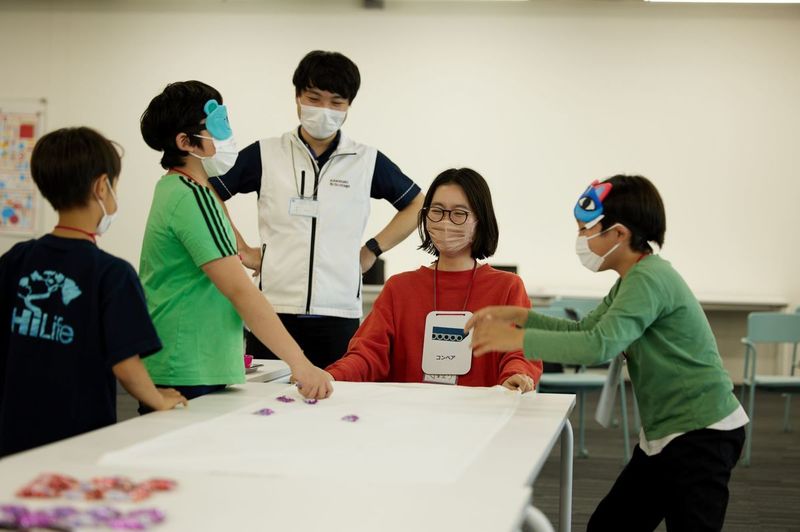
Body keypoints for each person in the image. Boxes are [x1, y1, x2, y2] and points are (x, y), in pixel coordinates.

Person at [467, 175, 748, 531]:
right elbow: (585, 330)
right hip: (668, 434)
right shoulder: (632, 279)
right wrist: (522, 318)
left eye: (586, 230)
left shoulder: (649, 279)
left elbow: (599, 345)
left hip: (702, 433)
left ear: (618, 234)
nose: (581, 239)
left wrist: (517, 340)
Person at [209, 50, 425, 368]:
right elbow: (208, 192)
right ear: (297, 98)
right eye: (314, 98)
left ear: (349, 106)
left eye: (336, 102)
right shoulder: (266, 153)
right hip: (272, 308)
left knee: (335, 393)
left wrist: (372, 249)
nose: (324, 110)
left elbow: (417, 204)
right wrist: (239, 249)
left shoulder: (365, 161)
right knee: (267, 396)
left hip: (338, 313)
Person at [139, 80, 332, 404]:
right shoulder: (192, 196)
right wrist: (300, 364)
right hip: (185, 368)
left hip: (188, 362)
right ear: (185, 142)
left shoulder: (175, 189)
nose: (227, 136)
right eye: (217, 127)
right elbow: (240, 290)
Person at [0, 127, 187, 457]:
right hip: (79, 441)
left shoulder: (16, 259)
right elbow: (126, 365)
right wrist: (158, 399)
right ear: (102, 186)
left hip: (13, 435)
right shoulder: (112, 275)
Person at [325, 168, 541, 392]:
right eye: (437, 211)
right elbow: (367, 353)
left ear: (480, 220)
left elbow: (521, 351)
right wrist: (332, 376)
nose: (445, 221)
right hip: (411, 411)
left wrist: (516, 375)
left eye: (459, 213)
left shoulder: (507, 287)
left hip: (480, 411)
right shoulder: (399, 288)